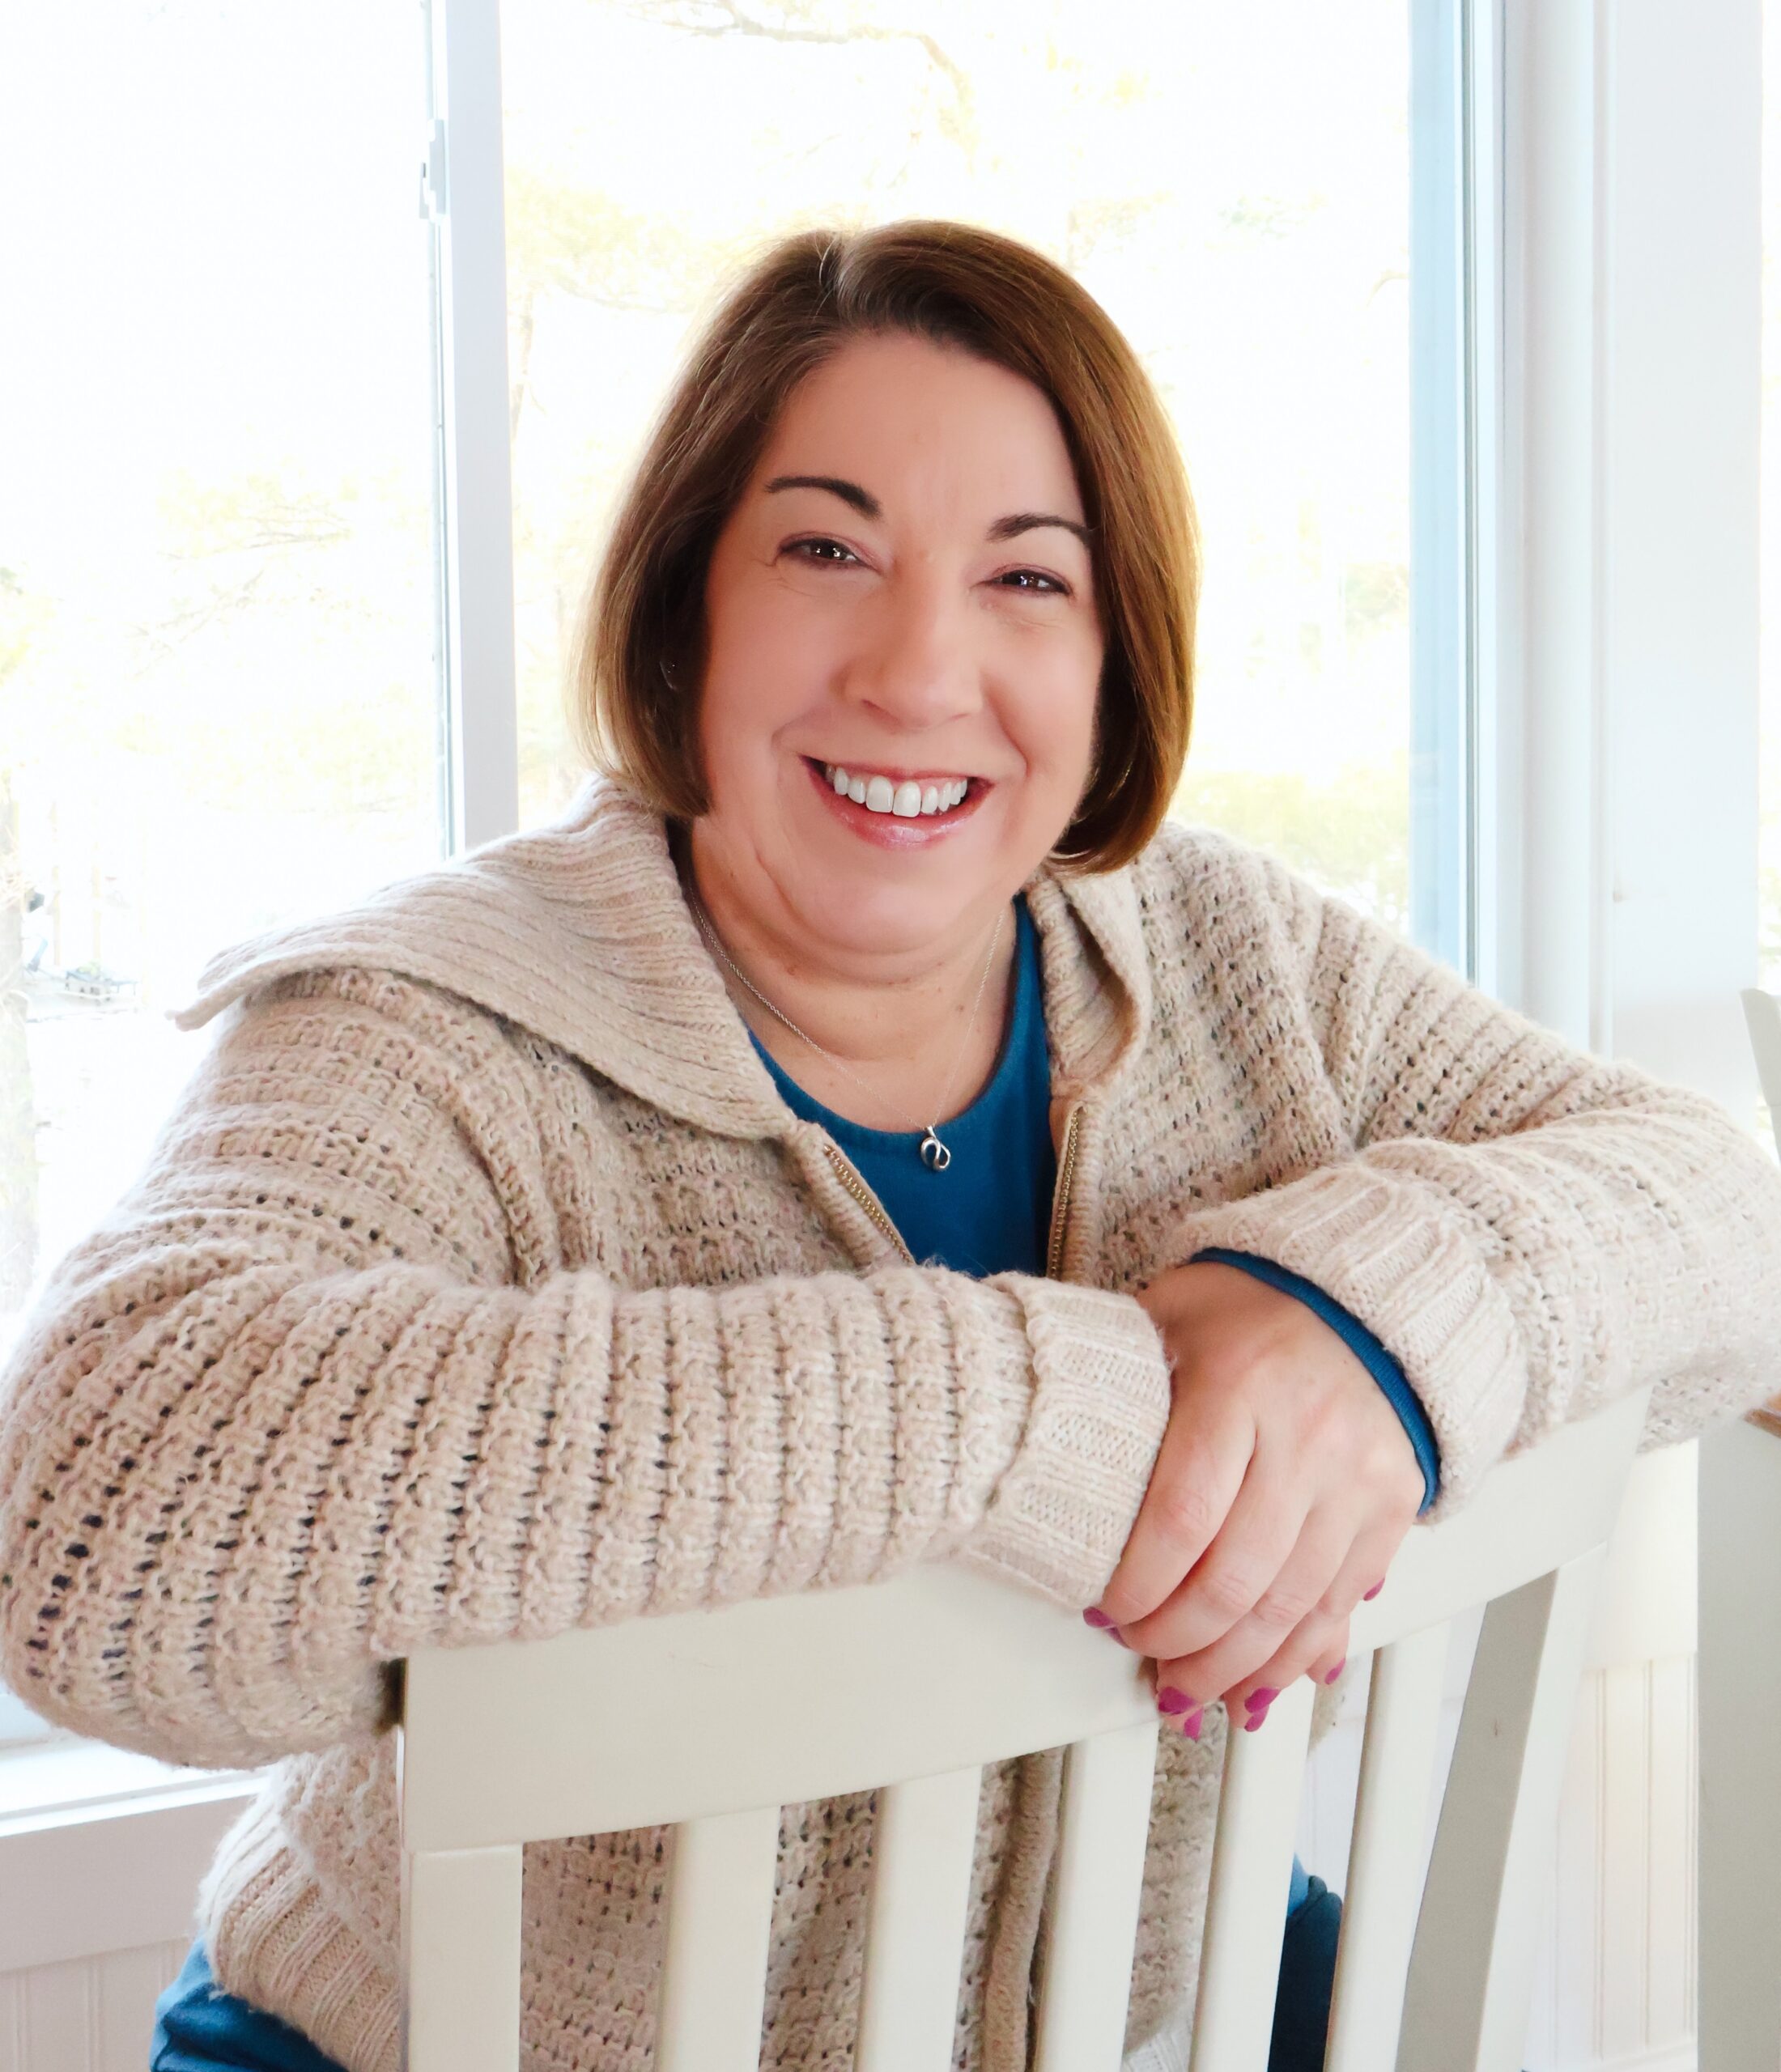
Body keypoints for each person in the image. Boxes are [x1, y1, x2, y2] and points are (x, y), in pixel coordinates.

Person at [1, 220, 1776, 2072]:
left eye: (1026, 576)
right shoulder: (432, 1018)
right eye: (826, 549)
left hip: (1123, 2018)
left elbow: (1726, 1213)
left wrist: (1368, 1321)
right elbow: (87, 1531)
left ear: (1110, 664)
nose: (921, 672)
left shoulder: (1230, 955)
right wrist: (1045, 1409)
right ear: (686, 607)